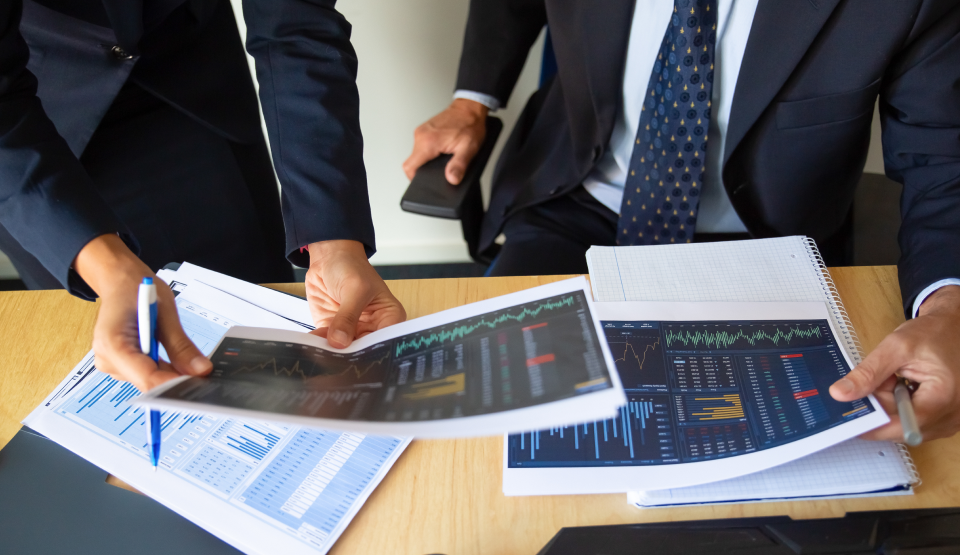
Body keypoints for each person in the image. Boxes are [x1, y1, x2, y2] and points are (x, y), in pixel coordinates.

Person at [403, 0, 960, 441]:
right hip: (577, 201)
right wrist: (473, 100)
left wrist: (950, 308)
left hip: (768, 236)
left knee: (771, 448)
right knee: (491, 418)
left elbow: (944, 162)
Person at [0, 0, 405, 391]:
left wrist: (332, 241)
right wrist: (108, 270)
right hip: (38, 134)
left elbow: (295, 28)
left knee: (264, 347)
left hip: (192, 76)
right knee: (106, 358)